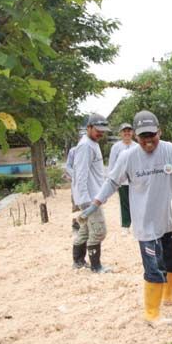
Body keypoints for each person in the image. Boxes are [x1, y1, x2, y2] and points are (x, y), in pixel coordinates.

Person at [80, 110, 172, 326]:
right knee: (154, 268)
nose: (148, 141)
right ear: (136, 136)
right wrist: (94, 204)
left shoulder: (170, 150)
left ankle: (170, 295)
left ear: (159, 132)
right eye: (143, 136)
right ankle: (152, 313)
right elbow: (112, 182)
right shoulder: (128, 157)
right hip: (146, 226)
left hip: (169, 221)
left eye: (152, 135)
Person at [72, 113, 110, 273]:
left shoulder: (92, 143)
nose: (100, 133)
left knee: (86, 230)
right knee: (99, 231)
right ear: (88, 128)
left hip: (94, 196)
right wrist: (86, 201)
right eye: (97, 130)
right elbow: (80, 174)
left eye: (103, 130)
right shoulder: (86, 146)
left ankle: (78, 261)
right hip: (90, 198)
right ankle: (96, 266)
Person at [108, 123, 136, 234]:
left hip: (135, 180)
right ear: (121, 133)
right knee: (124, 203)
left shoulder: (137, 146)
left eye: (129, 131)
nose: (127, 133)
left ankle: (136, 225)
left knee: (136, 203)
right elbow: (112, 164)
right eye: (124, 131)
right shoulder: (116, 147)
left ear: (132, 133)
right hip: (122, 181)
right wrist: (112, 180)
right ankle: (125, 225)